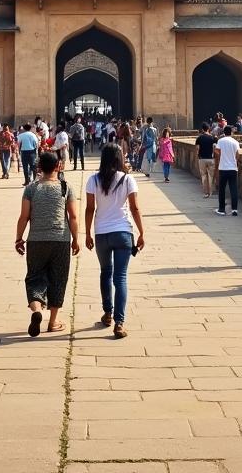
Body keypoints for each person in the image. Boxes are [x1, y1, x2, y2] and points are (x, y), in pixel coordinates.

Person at [15, 151, 81, 336]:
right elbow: (73, 216)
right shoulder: (66, 187)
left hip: (36, 241)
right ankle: (53, 322)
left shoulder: (31, 188)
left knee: (35, 277)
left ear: (39, 168)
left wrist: (19, 238)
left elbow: (24, 217)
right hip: (60, 240)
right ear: (58, 167)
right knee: (58, 279)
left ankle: (37, 310)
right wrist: (76, 239)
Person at [85, 145, 145, 339]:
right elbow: (135, 208)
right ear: (120, 158)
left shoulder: (93, 179)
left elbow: (89, 209)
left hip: (102, 233)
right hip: (123, 233)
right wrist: (141, 232)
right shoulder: (128, 179)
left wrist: (87, 233)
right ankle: (119, 323)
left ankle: (108, 313)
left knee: (105, 273)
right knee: (120, 277)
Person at [214, 125, 240, 215]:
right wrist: (234, 160)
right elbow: (237, 154)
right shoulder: (235, 142)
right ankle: (234, 209)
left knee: (222, 189)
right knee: (234, 189)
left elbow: (216, 150)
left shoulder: (221, 141)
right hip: (233, 168)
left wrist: (222, 155)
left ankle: (221, 209)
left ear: (224, 132)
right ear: (231, 132)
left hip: (223, 168)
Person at [195, 122, 217, 198]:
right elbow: (215, 148)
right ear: (208, 129)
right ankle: (211, 191)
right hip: (211, 159)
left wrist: (198, 155)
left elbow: (197, 148)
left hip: (202, 159)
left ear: (202, 129)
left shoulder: (199, 138)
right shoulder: (213, 138)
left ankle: (206, 192)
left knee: (204, 176)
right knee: (211, 176)